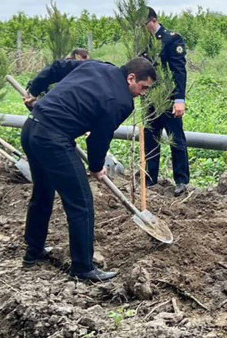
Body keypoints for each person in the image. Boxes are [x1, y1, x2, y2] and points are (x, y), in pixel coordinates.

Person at [20, 57, 156, 282]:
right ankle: (83, 267)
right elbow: (99, 138)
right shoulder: (122, 101)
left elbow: (58, 67)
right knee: (81, 202)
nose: (143, 94)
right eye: (144, 87)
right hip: (53, 139)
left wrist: (34, 89)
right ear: (131, 78)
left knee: (43, 192)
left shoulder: (96, 66)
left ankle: (33, 252)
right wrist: (96, 166)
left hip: (31, 128)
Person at [140, 6, 190, 196]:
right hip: (149, 97)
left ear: (153, 20)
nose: (141, 28)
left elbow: (179, 71)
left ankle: (181, 180)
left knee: (175, 139)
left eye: (143, 24)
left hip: (169, 98)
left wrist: (179, 99)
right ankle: (150, 178)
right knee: (150, 138)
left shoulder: (171, 39)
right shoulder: (143, 42)